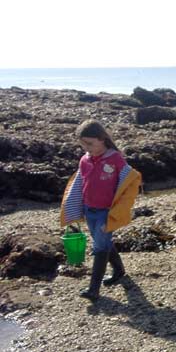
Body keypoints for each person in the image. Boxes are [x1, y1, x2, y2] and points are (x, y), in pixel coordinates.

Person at [60, 120, 142, 301]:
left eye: (90, 143)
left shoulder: (115, 159)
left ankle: (93, 289)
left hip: (106, 211)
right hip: (90, 209)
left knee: (99, 247)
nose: (86, 148)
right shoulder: (85, 160)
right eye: (82, 144)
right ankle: (119, 270)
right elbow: (81, 184)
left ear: (102, 139)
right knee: (102, 240)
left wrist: (116, 214)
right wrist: (75, 207)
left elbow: (128, 183)